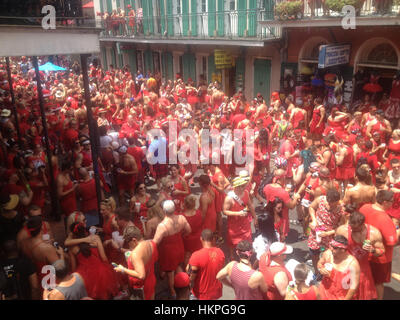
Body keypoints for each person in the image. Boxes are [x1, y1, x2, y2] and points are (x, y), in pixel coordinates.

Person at [335, 211, 384, 300]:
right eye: (351, 227)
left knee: (362, 295)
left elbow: (381, 251)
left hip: (363, 270)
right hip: (346, 267)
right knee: (343, 294)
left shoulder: (374, 233)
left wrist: (372, 250)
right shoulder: (342, 230)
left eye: (356, 229)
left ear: (363, 224)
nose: (353, 230)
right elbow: (333, 247)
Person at [359, 190, 398, 300]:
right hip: (380, 258)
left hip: (364, 252)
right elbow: (392, 242)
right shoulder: (385, 219)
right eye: (391, 201)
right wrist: (398, 231)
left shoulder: (365, 207)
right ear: (385, 202)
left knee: (366, 278)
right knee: (378, 283)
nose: (392, 203)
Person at [68, 222, 119, 300]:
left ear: (73, 234)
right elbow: (104, 257)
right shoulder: (95, 238)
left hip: (83, 275)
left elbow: (73, 268)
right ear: (85, 230)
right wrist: (108, 269)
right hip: (100, 271)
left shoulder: (72, 248)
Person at [153, 200, 191, 299]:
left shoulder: (162, 225)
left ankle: (173, 291)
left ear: (164, 211)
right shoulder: (181, 218)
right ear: (174, 209)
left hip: (168, 251)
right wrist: (180, 235)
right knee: (178, 265)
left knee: (170, 272)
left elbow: (155, 242)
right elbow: (189, 230)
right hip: (179, 245)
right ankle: (184, 285)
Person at [307, 188, 345, 278]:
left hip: (329, 235)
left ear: (337, 201)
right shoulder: (320, 199)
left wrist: (328, 233)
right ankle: (317, 271)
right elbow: (311, 207)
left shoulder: (341, 209)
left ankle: (327, 273)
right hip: (316, 232)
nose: (330, 206)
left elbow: (342, 226)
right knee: (314, 253)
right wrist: (314, 220)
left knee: (329, 255)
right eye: (329, 203)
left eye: (333, 204)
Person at [113, 225, 158, 300]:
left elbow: (141, 275)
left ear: (134, 240)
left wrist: (123, 269)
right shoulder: (150, 243)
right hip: (151, 279)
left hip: (141, 287)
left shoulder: (135, 254)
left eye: (128, 242)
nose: (128, 245)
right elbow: (154, 258)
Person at [186, 229, 225, 300]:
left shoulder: (196, 255)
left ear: (201, 239)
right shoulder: (220, 252)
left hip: (201, 293)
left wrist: (188, 266)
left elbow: (191, 277)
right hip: (215, 292)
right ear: (213, 239)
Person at [317, 236, 360, 300]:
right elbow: (319, 263)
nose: (331, 249)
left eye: (334, 248)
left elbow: (354, 286)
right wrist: (320, 269)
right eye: (331, 246)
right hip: (325, 292)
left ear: (342, 249)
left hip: (341, 296)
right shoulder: (328, 254)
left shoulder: (353, 264)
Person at [223, 176, 256, 259]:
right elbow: (225, 211)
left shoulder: (246, 193)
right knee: (232, 240)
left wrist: (255, 217)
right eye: (241, 186)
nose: (243, 188)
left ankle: (246, 255)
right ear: (236, 187)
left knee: (247, 238)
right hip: (234, 224)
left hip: (244, 222)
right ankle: (231, 254)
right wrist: (238, 213)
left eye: (243, 186)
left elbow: (250, 205)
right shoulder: (229, 198)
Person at [264, 169, 301, 241]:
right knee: (280, 239)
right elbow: (291, 206)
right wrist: (296, 198)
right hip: (281, 219)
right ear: (283, 178)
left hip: (270, 216)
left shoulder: (267, 187)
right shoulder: (283, 193)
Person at [182, 195, 203, 266]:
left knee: (187, 255)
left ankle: (188, 271)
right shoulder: (199, 213)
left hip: (187, 239)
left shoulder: (182, 216)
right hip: (197, 237)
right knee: (198, 253)